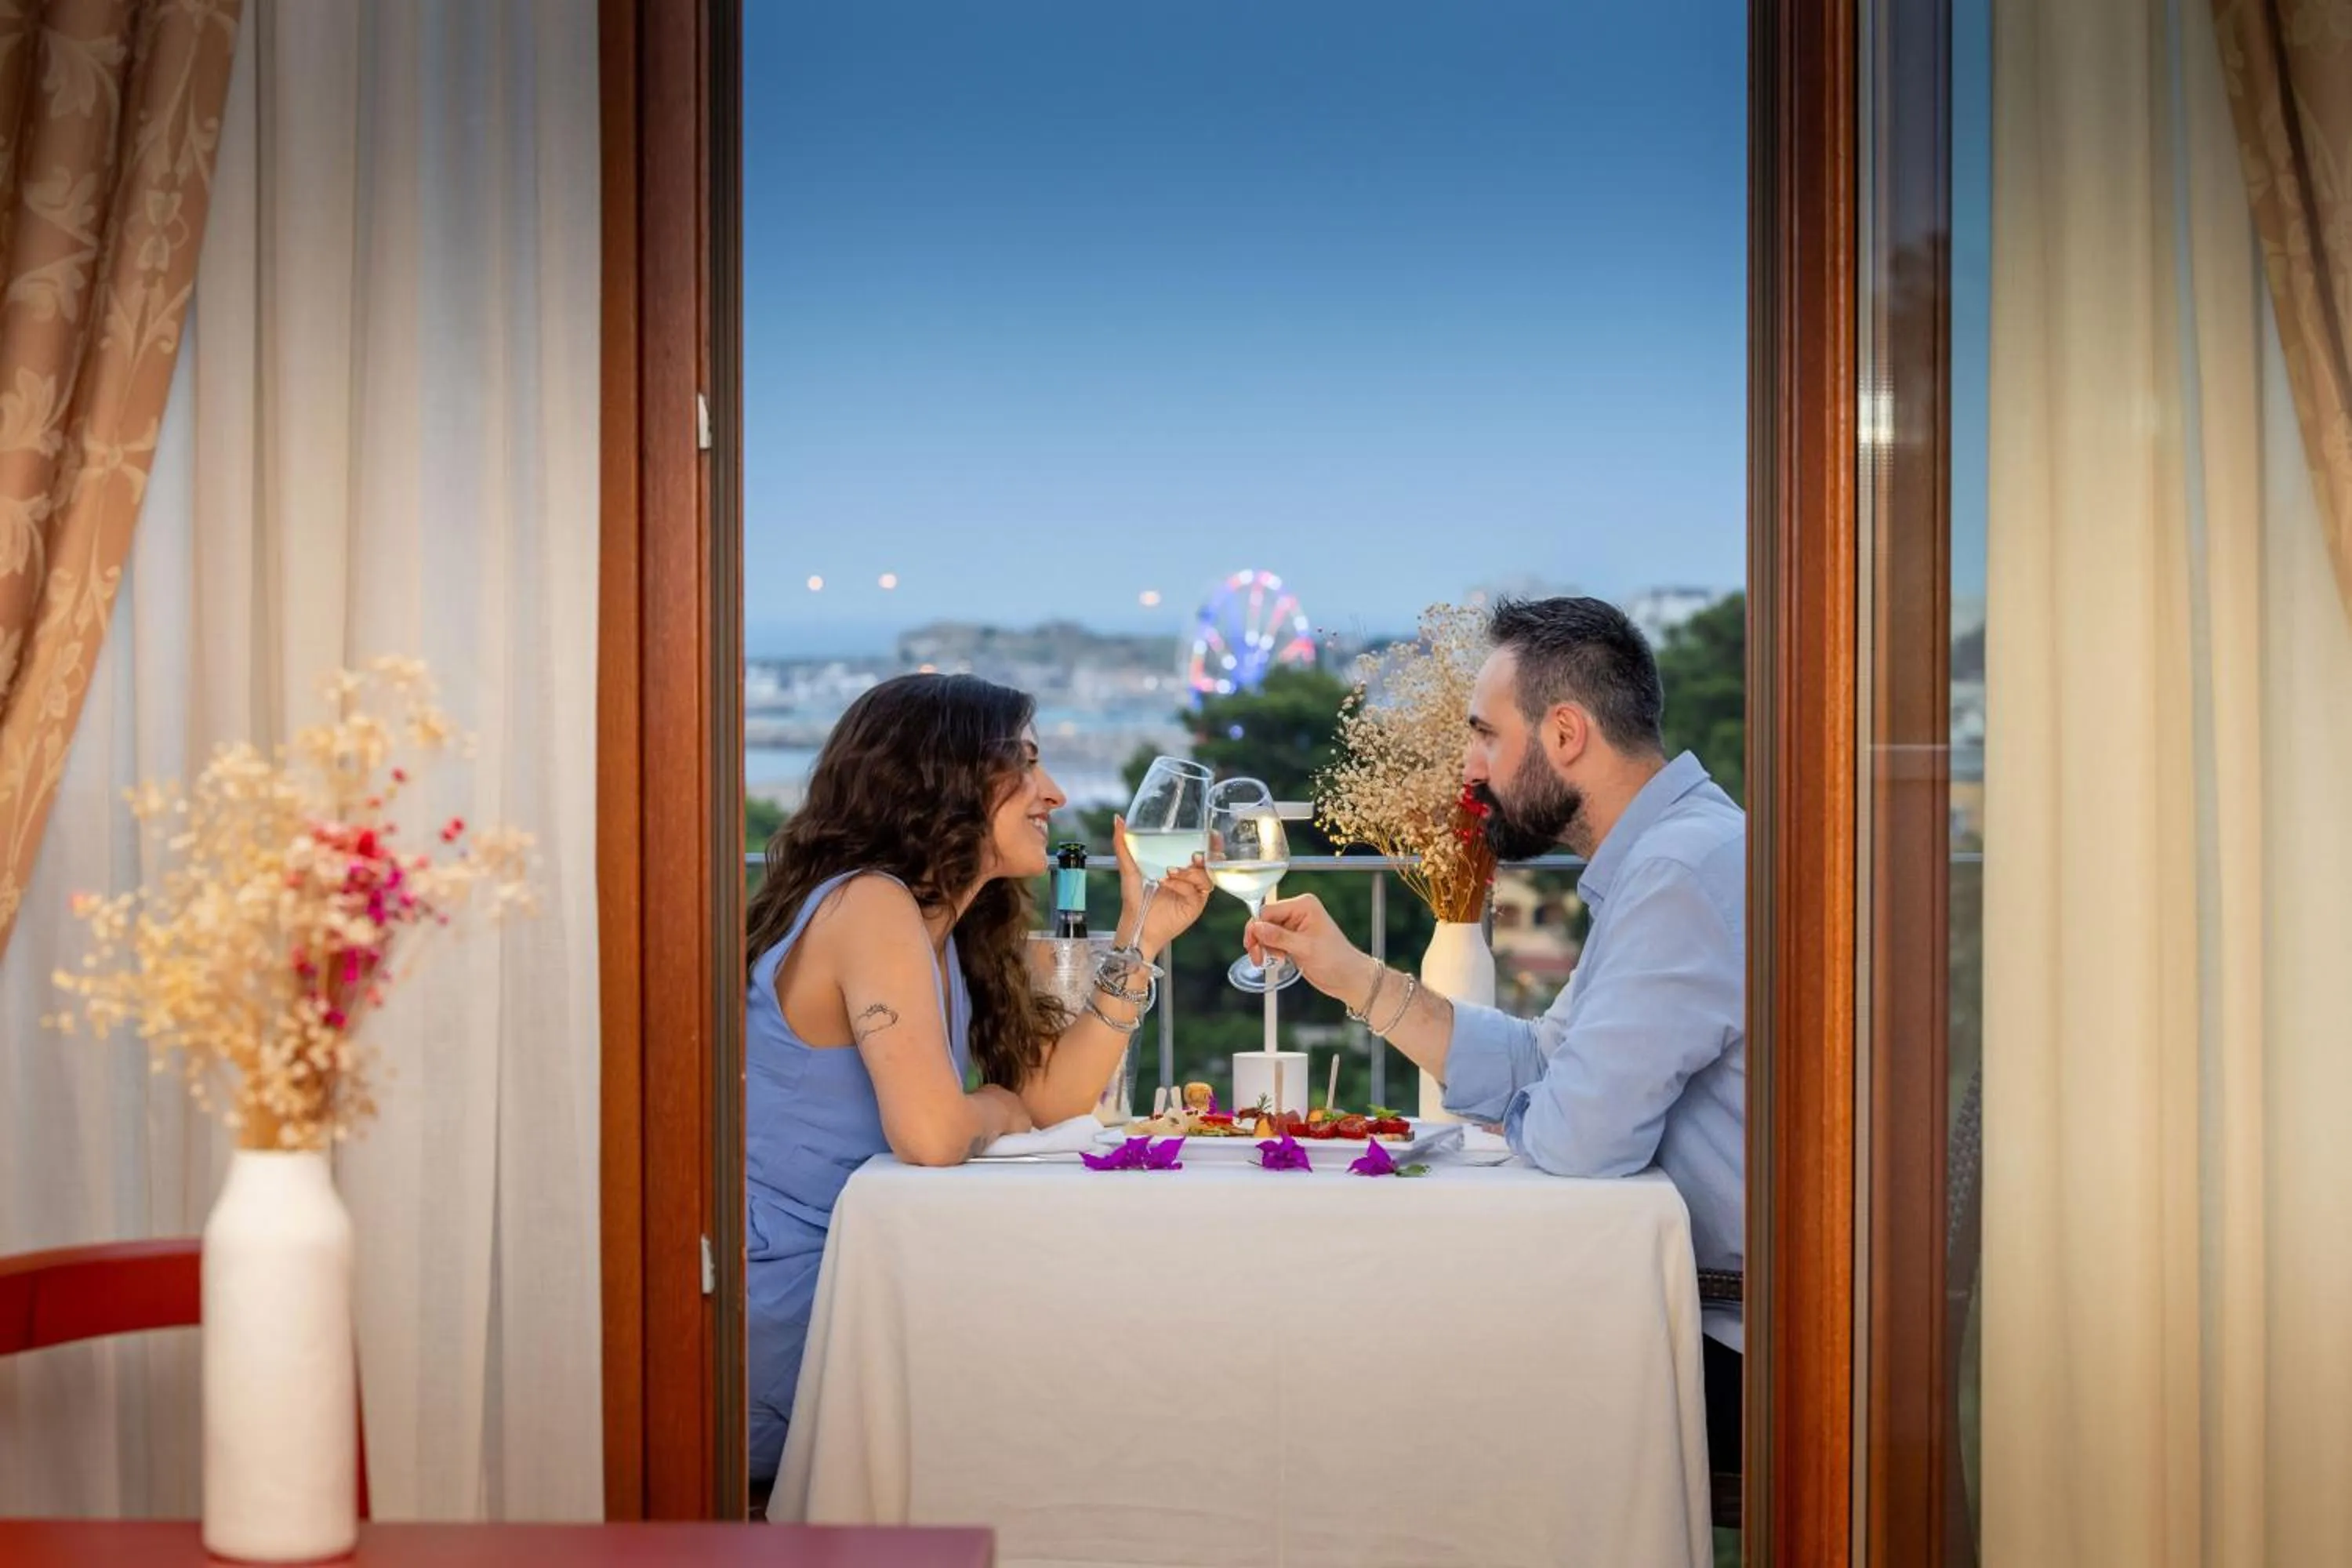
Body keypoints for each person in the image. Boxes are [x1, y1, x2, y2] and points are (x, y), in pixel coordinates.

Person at [1245, 595, 1745, 1473]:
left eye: (1484, 733)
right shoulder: (1672, 853)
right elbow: (1546, 1064)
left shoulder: (1676, 872)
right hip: (1682, 1305)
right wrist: (1355, 975)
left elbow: (1579, 1140)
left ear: (1565, 734)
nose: (1469, 766)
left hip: (1731, 1341)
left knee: (1377, 1379)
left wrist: (1537, 1109)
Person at [744, 673, 1212, 1486]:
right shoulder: (871, 906)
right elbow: (933, 1135)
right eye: (1024, 765)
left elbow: (1053, 1099)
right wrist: (990, 1105)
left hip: (866, 1290)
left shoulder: (943, 926)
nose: (1054, 792)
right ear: (943, 780)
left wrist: (1141, 939)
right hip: (797, 1321)